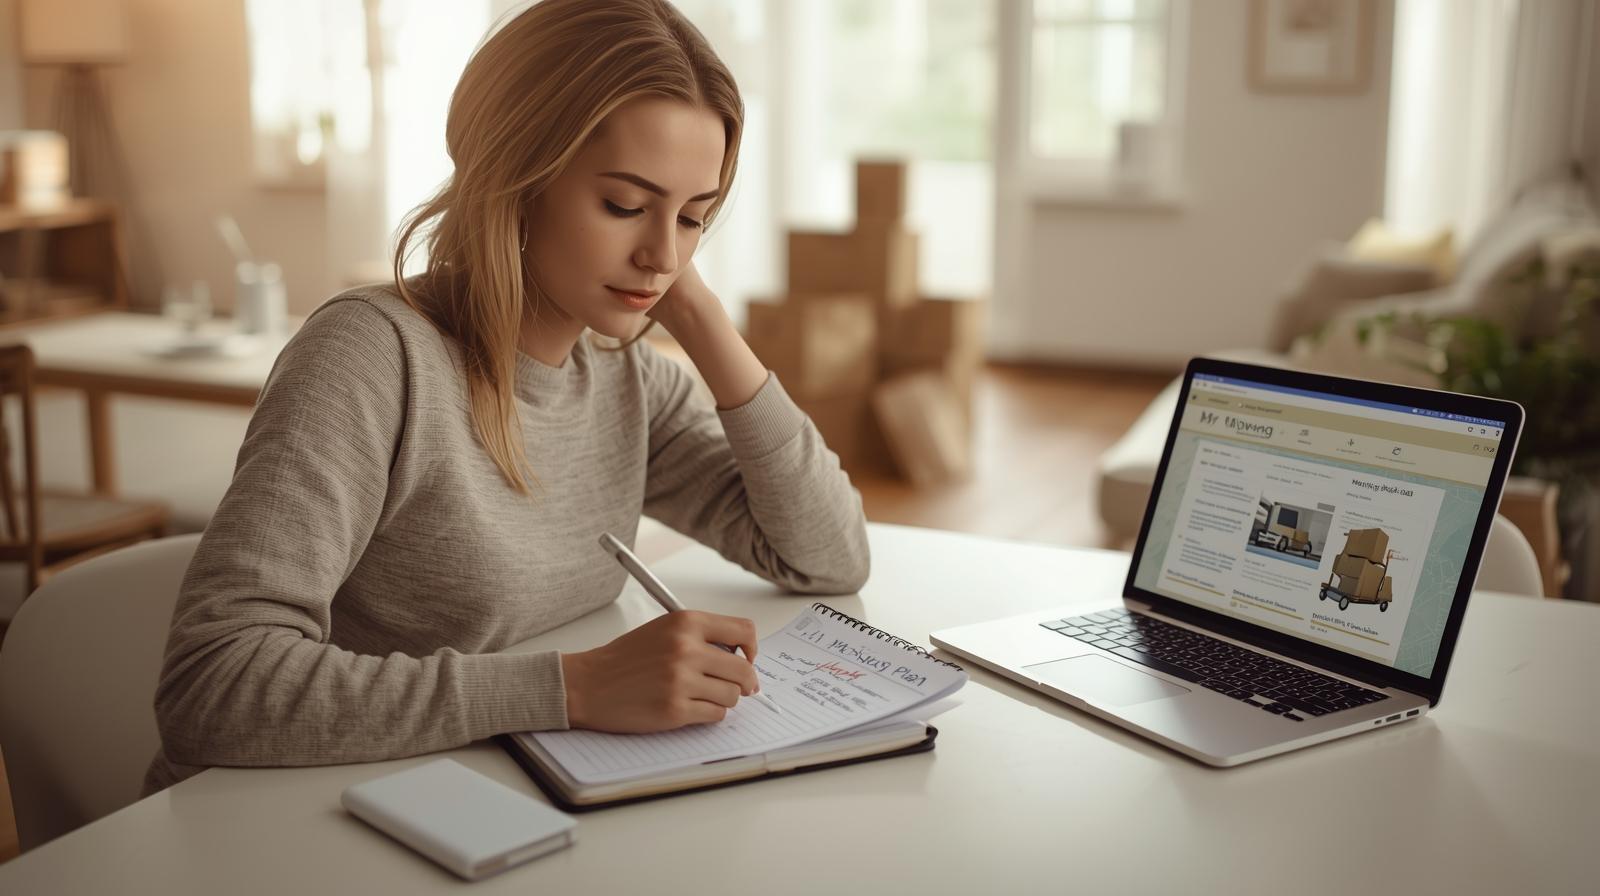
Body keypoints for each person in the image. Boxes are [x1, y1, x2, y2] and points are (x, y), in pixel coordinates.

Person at [144, 0, 869, 794]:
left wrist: (698, 315)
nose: (662, 254)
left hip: (487, 791)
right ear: (516, 178)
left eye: (694, 217)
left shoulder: (624, 379)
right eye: (625, 206)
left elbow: (830, 556)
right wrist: (573, 688)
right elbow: (213, 686)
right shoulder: (371, 359)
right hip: (287, 820)